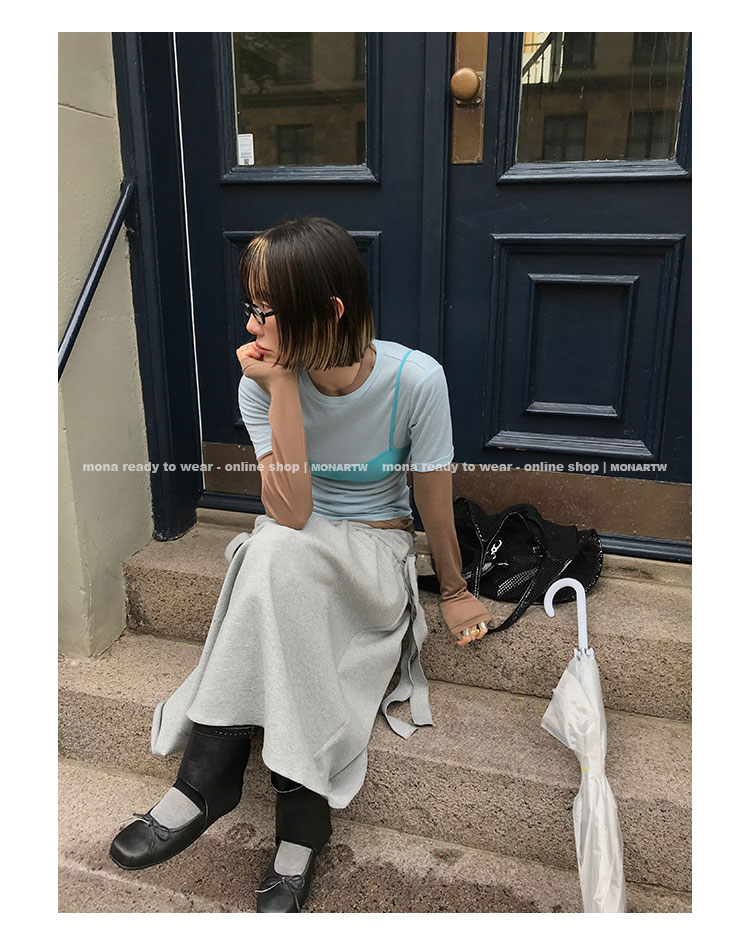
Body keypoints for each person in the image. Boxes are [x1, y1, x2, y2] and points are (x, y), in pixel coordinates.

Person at [109, 216, 493, 912]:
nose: (251, 327)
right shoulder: (259, 385)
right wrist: (283, 388)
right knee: (276, 548)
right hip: (294, 546)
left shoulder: (416, 380)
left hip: (373, 552)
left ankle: (206, 779)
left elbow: (433, 505)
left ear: (329, 310)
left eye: (266, 310)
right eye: (249, 306)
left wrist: (456, 587)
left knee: (271, 556)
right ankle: (298, 818)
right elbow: (290, 510)